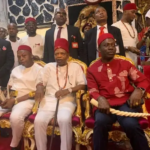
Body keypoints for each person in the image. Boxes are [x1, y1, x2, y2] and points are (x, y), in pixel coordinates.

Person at [87, 33, 150, 150]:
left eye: (113, 45)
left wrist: (138, 90)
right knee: (100, 123)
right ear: (99, 48)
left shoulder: (125, 64)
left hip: (126, 103)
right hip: (105, 105)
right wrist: (100, 98)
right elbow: (92, 90)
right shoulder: (92, 69)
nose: (111, 47)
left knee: (131, 124)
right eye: (106, 45)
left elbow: (143, 81)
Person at [34, 38, 86, 150]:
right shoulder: (48, 67)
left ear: (68, 54)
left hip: (67, 101)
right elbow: (40, 81)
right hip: (48, 101)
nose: (59, 56)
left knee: (64, 119)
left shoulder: (75, 66)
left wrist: (67, 90)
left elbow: (83, 85)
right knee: (38, 121)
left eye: (62, 53)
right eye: (56, 53)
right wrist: (39, 87)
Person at [0, 45, 42, 150]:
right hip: (11, 99)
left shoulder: (39, 70)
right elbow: (9, 86)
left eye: (24, 56)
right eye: (19, 57)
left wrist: (15, 100)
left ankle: (15, 144)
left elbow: (37, 92)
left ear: (31, 55)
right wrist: (4, 96)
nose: (21, 59)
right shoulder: (16, 70)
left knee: (15, 117)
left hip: (27, 100)